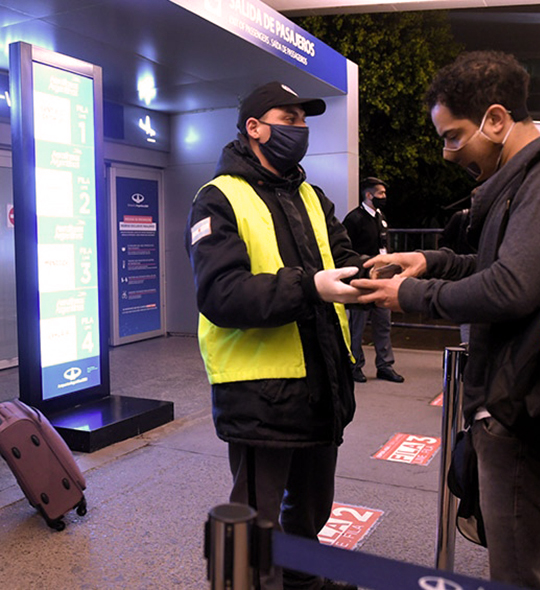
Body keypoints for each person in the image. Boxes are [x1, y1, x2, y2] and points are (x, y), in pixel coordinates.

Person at [353, 51, 540, 589]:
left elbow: (512, 287)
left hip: (531, 418)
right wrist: (432, 261)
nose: (449, 153)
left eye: (454, 136)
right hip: (534, 407)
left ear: (497, 120)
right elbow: (511, 266)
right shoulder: (530, 181)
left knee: (528, 576)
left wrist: (414, 294)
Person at [185, 81, 364, 590]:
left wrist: (371, 274)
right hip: (259, 391)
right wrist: (310, 286)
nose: (300, 129)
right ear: (254, 128)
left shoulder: (311, 195)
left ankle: (304, 578)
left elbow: (342, 258)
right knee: (256, 515)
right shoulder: (217, 199)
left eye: (303, 120)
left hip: (320, 379)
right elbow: (221, 294)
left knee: (311, 504)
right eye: (289, 118)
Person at [341, 177, 403, 384]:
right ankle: (354, 364)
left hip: (383, 278)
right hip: (362, 280)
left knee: (383, 322)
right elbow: (345, 250)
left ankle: (385, 365)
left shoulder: (380, 217)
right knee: (357, 325)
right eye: (381, 194)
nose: (384, 197)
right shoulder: (354, 219)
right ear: (369, 195)